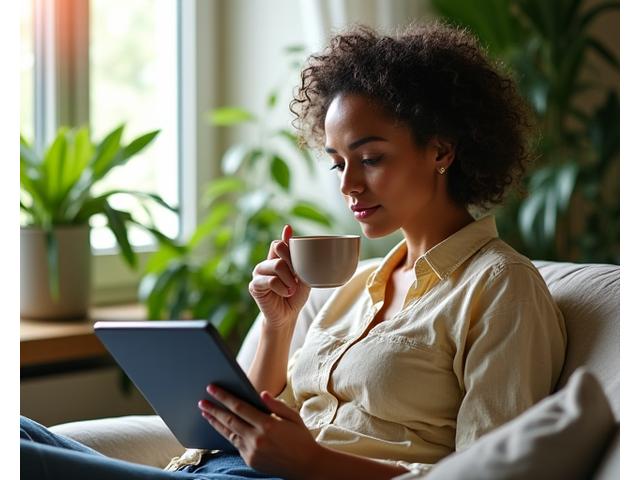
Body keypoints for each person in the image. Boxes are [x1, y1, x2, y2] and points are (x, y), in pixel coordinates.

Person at [20, 21, 566, 479]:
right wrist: (279, 324)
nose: (347, 184)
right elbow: (234, 423)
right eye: (336, 162)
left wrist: (314, 461)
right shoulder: (355, 284)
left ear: (441, 150)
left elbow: (491, 475)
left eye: (370, 157)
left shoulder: (500, 287)